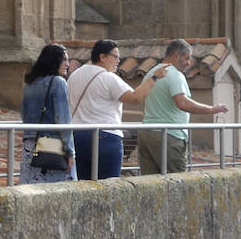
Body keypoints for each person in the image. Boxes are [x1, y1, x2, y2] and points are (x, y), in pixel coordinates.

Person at [67, 39, 169, 180]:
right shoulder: (107, 77)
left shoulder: (75, 75)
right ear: (102, 57)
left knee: (82, 186)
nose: (118, 61)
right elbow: (135, 98)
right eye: (115, 56)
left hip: (77, 136)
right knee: (109, 186)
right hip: (104, 137)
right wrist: (154, 77)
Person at [136, 39, 229, 175]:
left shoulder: (151, 73)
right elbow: (183, 103)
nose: (189, 63)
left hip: (147, 134)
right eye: (186, 58)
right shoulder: (175, 75)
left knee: (149, 184)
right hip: (168, 136)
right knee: (177, 183)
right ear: (176, 56)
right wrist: (212, 109)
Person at [19, 43, 76, 184]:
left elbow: (23, 113)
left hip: (30, 147)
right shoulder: (58, 82)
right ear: (54, 61)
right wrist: (70, 152)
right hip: (53, 147)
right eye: (64, 60)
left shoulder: (30, 84)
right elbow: (64, 121)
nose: (68, 64)